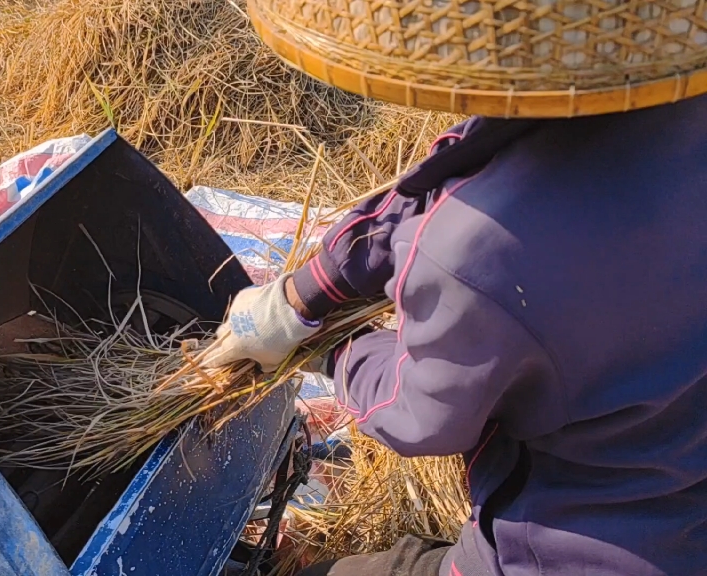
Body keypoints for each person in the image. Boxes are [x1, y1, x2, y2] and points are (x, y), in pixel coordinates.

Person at [206, 18, 707, 576]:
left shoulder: (475, 253)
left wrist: (336, 349)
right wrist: (307, 292)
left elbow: (419, 412)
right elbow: (453, 169)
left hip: (574, 555)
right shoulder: (676, 106)